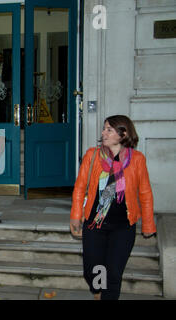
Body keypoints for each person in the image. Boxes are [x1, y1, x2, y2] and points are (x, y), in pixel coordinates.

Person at [70, 115, 156, 300]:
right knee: (92, 271)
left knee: (114, 275)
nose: (103, 133)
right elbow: (79, 187)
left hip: (123, 227)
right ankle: (98, 290)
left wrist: (148, 225)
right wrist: (76, 216)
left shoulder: (137, 160)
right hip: (95, 225)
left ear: (123, 134)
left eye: (109, 129)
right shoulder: (92, 155)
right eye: (104, 128)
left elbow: (145, 194)